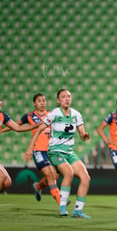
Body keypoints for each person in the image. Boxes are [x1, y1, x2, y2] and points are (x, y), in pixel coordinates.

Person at [24, 89, 91, 218]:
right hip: (55, 152)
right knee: (69, 173)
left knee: (86, 178)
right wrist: (29, 149)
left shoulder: (76, 115)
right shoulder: (54, 114)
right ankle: (62, 207)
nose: (67, 98)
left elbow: (82, 134)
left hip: (69, 152)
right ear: (58, 100)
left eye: (69, 96)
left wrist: (84, 136)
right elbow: (38, 130)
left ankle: (78, 210)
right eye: (63, 97)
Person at [1, 93, 61, 204]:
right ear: (34, 103)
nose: (42, 103)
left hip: (52, 150)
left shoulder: (51, 115)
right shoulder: (29, 116)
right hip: (38, 150)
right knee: (50, 175)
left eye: (44, 100)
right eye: (39, 101)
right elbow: (15, 126)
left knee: (55, 176)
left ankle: (38, 187)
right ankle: (61, 203)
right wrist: (2, 130)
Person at [0, 96, 40, 191]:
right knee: (1, 178)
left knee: (7, 183)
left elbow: (18, 128)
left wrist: (35, 126)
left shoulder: (2, 115)